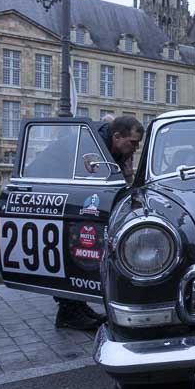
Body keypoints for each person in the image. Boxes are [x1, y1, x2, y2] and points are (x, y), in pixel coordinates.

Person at [55, 115, 144, 330]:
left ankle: (76, 306)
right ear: (116, 136)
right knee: (73, 251)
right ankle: (68, 311)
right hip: (67, 200)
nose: (135, 148)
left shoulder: (114, 148)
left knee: (84, 252)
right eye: (132, 142)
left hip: (84, 203)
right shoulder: (93, 146)